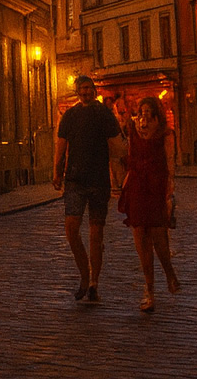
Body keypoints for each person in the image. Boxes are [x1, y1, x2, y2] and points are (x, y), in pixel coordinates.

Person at [51, 75, 126, 304]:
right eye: (82, 89)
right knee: (71, 230)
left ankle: (94, 282)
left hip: (98, 180)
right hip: (74, 178)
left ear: (94, 91)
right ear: (77, 92)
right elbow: (61, 144)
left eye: (89, 89)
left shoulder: (104, 113)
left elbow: (116, 147)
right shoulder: (70, 116)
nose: (85, 92)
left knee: (96, 233)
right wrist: (57, 171)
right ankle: (84, 273)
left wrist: (120, 176)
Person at [118, 97, 179, 312]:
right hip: (136, 187)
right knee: (140, 238)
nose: (143, 114)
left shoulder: (165, 134)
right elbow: (129, 157)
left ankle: (169, 272)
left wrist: (169, 194)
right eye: (141, 110)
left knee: (159, 239)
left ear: (156, 113)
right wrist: (123, 185)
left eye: (148, 111)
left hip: (156, 187)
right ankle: (149, 290)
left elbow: (170, 165)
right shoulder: (133, 132)